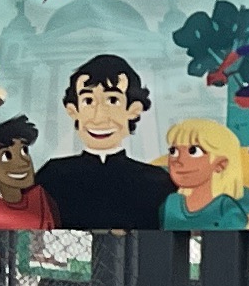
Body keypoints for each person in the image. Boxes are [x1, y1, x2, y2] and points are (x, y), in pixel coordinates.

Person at [33, 55, 177, 230]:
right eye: (88, 101)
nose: (99, 117)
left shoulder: (157, 181)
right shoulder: (52, 176)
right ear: (73, 110)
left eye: (113, 100)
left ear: (133, 110)